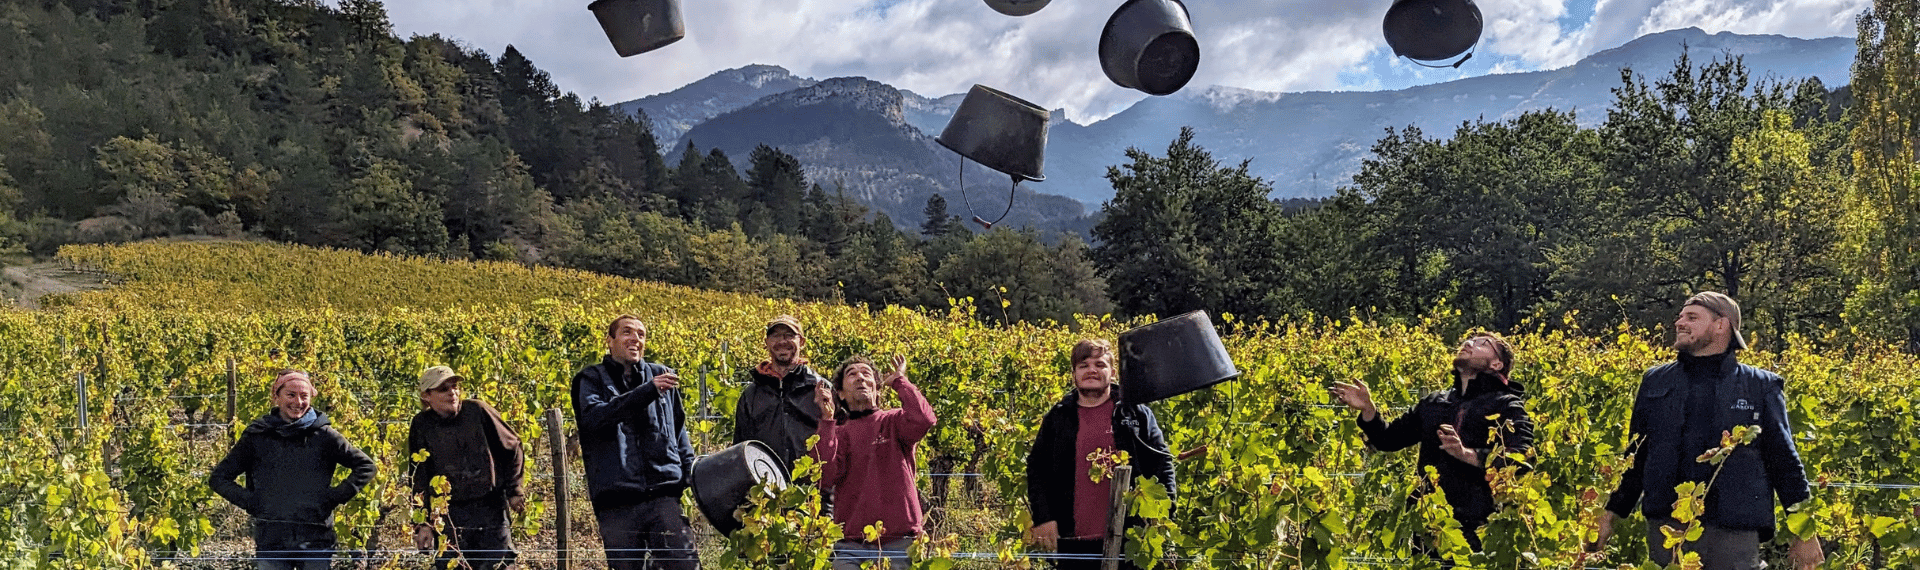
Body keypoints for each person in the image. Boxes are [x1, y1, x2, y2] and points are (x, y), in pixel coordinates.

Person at [1592, 292, 1824, 570]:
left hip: (1733, 533)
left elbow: (1784, 462)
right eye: (1680, 316)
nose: (1679, 322)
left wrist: (1805, 533)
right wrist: (1609, 514)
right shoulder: (1655, 381)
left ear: (1721, 325)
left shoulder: (1761, 386)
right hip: (1667, 531)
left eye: (1692, 317)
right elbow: (1635, 458)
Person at [1328, 331, 1534, 553]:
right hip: (1428, 527)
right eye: (1468, 340)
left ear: (1496, 364)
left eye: (1482, 343)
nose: (1469, 343)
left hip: (1480, 528)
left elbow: (1522, 458)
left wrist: (1467, 454)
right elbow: (1388, 439)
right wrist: (1369, 410)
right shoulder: (1435, 403)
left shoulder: (1505, 404)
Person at [1026, 339, 1176, 570]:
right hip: (1073, 542)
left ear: (1113, 372)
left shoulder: (1136, 414)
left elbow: (1162, 464)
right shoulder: (1057, 418)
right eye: (1083, 365)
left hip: (1132, 539)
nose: (1092, 370)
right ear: (1074, 374)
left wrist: (1164, 514)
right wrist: (1044, 518)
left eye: (1100, 364)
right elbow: (1037, 470)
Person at [208, 370, 377, 570]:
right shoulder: (257, 435)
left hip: (316, 538)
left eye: (304, 396)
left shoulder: (324, 435)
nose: (298, 402)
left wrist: (332, 498)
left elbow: (366, 466)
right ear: (276, 397)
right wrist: (253, 502)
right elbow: (219, 478)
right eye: (291, 395)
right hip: (272, 539)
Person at [571, 315, 699, 570]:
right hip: (617, 500)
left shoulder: (661, 374)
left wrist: (689, 473)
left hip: (664, 495)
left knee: (685, 566)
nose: (636, 339)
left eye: (641, 334)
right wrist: (647, 392)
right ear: (610, 341)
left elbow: (678, 431)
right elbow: (596, 419)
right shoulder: (591, 379)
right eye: (627, 332)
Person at [811, 355, 937, 570]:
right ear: (840, 393)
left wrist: (900, 380)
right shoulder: (837, 433)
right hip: (851, 545)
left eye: (866, 373)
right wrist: (827, 420)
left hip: (900, 542)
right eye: (852, 374)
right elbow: (824, 476)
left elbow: (924, 420)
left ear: (877, 390)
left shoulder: (894, 421)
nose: (860, 377)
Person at [407, 366, 527, 570]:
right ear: (427, 396)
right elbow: (419, 475)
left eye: (454, 386)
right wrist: (424, 522)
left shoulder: (478, 411)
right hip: (450, 514)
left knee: (498, 566)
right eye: (443, 389)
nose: (452, 392)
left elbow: (513, 447)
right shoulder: (421, 425)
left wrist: (514, 490)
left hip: (491, 509)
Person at [735, 314, 829, 472]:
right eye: (775, 336)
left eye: (789, 335)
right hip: (766, 487)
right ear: (766, 343)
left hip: (811, 488)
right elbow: (740, 447)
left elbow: (838, 439)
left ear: (802, 342)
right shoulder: (751, 395)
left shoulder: (821, 388)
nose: (782, 341)